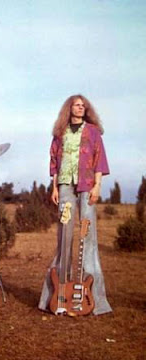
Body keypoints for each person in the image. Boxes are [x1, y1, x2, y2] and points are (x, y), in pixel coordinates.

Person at [38, 95, 112, 315]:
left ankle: (95, 301)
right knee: (64, 237)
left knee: (88, 237)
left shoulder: (93, 131)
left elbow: (99, 159)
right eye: (77, 105)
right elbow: (54, 161)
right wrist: (54, 188)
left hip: (87, 184)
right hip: (64, 186)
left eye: (83, 105)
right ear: (69, 108)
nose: (81, 108)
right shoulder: (59, 132)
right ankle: (55, 297)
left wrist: (97, 186)